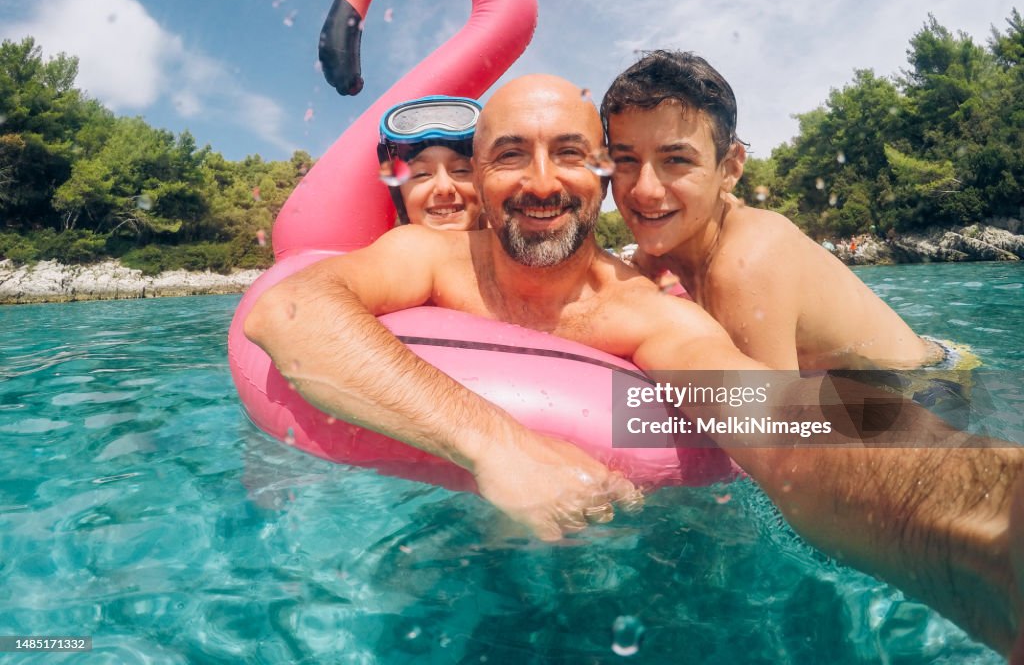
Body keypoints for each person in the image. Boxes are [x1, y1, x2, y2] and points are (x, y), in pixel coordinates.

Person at [244, 74, 1023, 658]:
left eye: (572, 155)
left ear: (604, 180)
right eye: (512, 154)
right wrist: (497, 444)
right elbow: (289, 314)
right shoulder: (427, 258)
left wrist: (987, 512)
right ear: (479, 180)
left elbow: (774, 413)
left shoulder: (642, 314)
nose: (543, 182)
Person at [601, 50, 942, 371]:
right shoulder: (658, 255)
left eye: (676, 160)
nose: (645, 189)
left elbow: (771, 428)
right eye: (625, 160)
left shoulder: (748, 261)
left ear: (730, 168)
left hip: (927, 384)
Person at [378, 95, 484, 231]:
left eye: (461, 170)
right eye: (421, 174)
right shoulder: (386, 250)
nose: (444, 188)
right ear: (399, 193)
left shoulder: (512, 243)